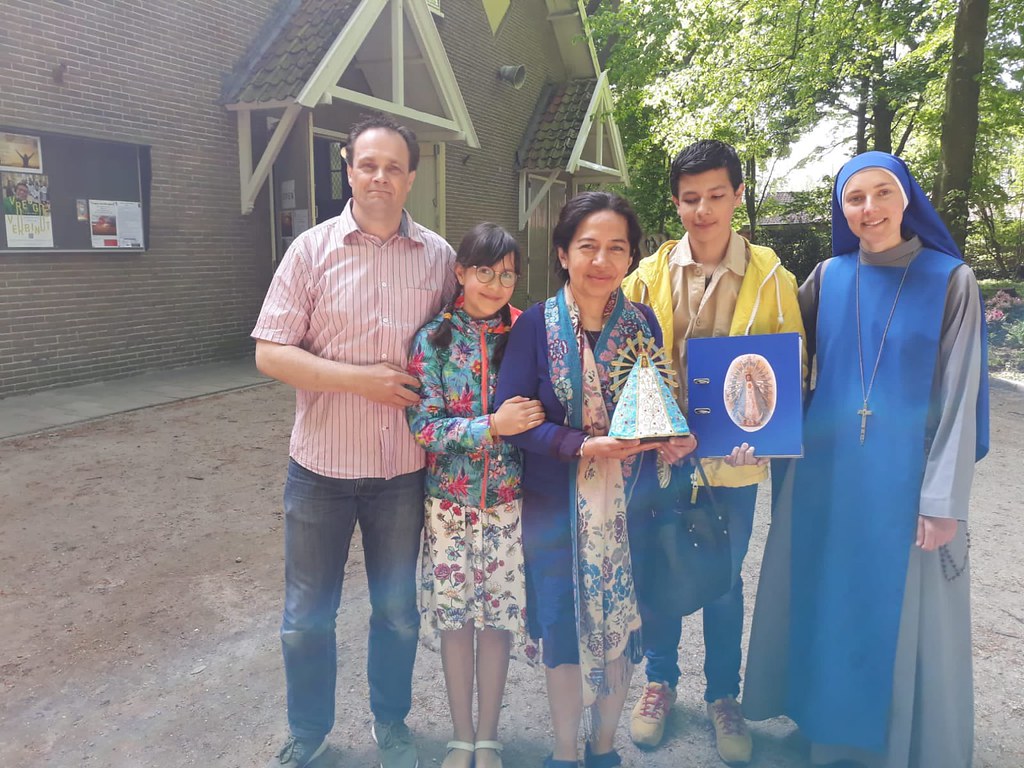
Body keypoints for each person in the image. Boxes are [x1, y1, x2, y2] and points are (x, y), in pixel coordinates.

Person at [742, 151, 990, 768]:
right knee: (829, 598)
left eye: (883, 194)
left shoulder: (952, 280)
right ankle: (827, 730)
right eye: (855, 198)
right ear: (841, 208)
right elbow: (776, 361)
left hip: (906, 479)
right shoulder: (827, 277)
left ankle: (903, 743)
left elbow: (961, 397)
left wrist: (942, 500)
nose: (870, 209)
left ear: (907, 198)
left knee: (902, 614)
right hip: (826, 477)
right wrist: (746, 425)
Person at [252, 113, 457, 768]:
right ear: (348, 170)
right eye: (368, 164)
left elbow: (465, 350)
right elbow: (270, 354)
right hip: (320, 469)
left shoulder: (441, 259)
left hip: (402, 471)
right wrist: (360, 382)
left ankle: (391, 725)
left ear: (412, 177)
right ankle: (309, 732)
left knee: (397, 615)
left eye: (393, 167)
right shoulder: (310, 252)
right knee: (307, 617)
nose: (379, 177)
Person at [620, 139, 805, 766]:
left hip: (736, 458)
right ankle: (660, 682)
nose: (703, 210)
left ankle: (723, 695)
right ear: (676, 203)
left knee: (725, 580)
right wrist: (655, 432)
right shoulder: (645, 276)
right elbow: (628, 364)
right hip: (664, 456)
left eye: (716, 196)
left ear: (737, 196)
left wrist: (767, 422)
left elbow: (792, 360)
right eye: (690, 199)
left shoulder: (771, 278)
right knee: (662, 567)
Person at [495, 191, 697, 768]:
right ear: (563, 253)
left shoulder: (641, 324)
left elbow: (652, 409)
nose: (601, 261)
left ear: (631, 258)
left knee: (624, 622)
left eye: (616, 248)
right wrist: (582, 444)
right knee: (561, 627)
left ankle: (603, 748)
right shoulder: (535, 325)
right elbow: (515, 420)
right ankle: (563, 753)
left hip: (630, 510)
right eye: (588, 246)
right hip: (554, 510)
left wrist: (673, 438)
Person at [406, 223, 543, 768]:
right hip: (448, 507)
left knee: (498, 621)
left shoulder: (527, 334)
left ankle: (489, 736)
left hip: (508, 504)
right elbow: (426, 427)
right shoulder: (433, 338)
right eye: (484, 270)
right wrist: (493, 425)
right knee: (457, 621)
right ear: (460, 271)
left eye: (508, 273)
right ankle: (461, 735)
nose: (496, 283)